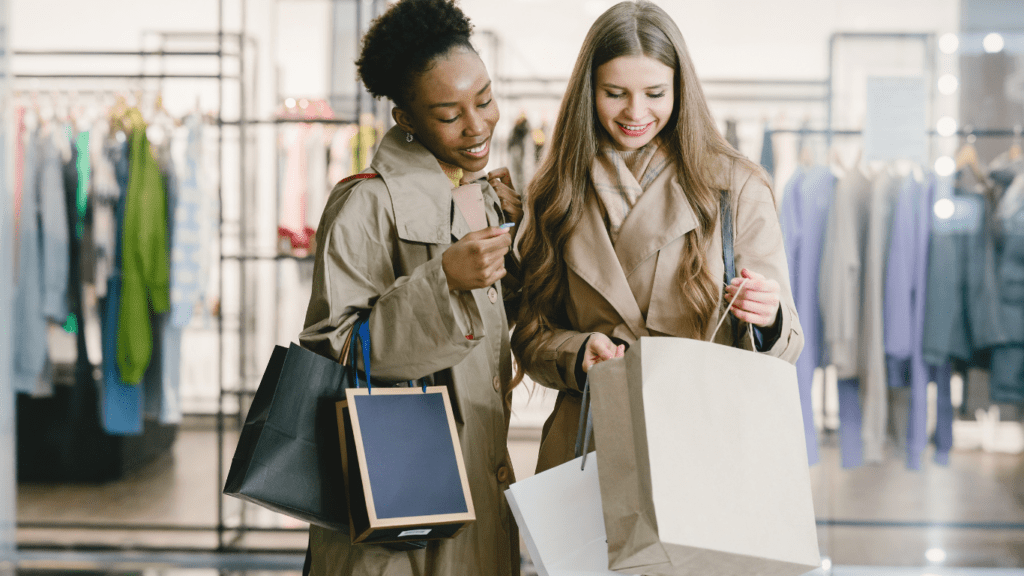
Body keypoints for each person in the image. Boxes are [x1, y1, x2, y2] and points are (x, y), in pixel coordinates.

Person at [511, 0, 804, 474]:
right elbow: (530, 336)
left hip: (699, 444)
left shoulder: (735, 186)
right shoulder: (555, 191)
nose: (636, 112)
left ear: (679, 90)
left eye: (654, 93)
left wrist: (768, 317)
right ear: (589, 91)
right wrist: (579, 352)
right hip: (587, 446)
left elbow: (787, 344)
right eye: (615, 93)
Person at [298, 0, 522, 574]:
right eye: (449, 114)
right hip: (399, 505)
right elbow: (337, 349)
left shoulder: (489, 194)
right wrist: (442, 280)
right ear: (407, 120)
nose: (477, 126)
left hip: (477, 484)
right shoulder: (364, 203)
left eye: (486, 99)